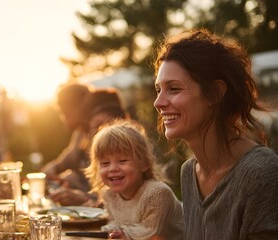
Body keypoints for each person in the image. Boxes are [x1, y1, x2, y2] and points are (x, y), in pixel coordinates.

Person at [153, 29, 278, 239]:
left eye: (174, 89)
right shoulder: (189, 173)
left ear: (215, 93)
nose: (158, 103)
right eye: (158, 90)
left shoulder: (261, 173)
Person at [85, 120, 183, 240]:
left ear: (144, 164)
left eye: (122, 161)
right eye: (105, 163)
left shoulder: (157, 193)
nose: (113, 168)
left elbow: (151, 231)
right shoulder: (109, 195)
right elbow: (115, 223)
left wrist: (123, 234)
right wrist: (110, 231)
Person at [41, 83, 92, 205]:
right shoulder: (80, 133)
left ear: (79, 107)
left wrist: (83, 197)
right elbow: (64, 161)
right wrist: (46, 173)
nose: (62, 117)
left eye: (64, 111)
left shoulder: (99, 135)